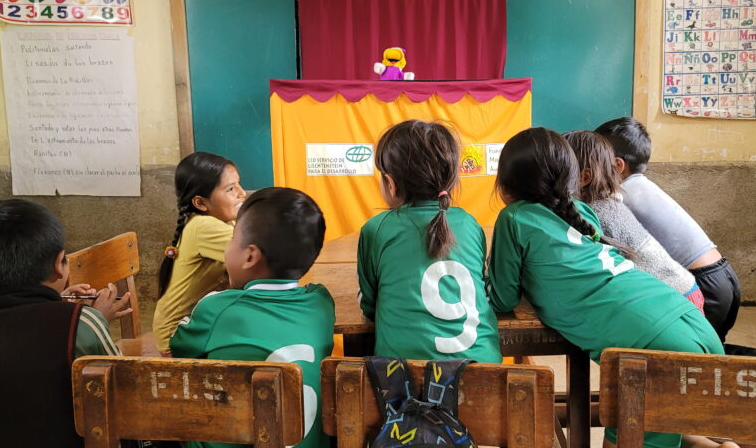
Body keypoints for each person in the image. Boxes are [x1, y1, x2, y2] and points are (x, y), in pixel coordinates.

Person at [486, 128, 728, 448]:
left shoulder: (513, 218)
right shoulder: (583, 212)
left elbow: (503, 298)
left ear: (505, 185)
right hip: (688, 320)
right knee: (668, 421)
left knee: (629, 435)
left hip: (651, 350)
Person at [0, 199, 129, 448]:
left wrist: (59, 305)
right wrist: (93, 319)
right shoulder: (80, 324)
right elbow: (126, 398)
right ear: (59, 265)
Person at [170, 187, 333, 448]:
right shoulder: (321, 302)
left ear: (249, 256)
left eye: (233, 238)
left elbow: (178, 346)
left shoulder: (217, 308)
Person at [357, 120, 501, 362]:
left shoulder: (376, 229)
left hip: (402, 383)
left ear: (390, 184)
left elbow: (368, 307)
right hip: (483, 370)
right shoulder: (469, 223)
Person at [595, 117, 741, 343]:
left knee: (686, 358)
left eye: (596, 159)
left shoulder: (622, 195)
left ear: (617, 166)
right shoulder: (643, 187)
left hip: (703, 284)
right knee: (707, 357)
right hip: (723, 277)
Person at [562, 130, 704, 312]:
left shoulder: (593, 210)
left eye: (559, 169)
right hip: (683, 289)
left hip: (675, 297)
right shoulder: (607, 201)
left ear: (584, 177)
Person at [153, 152, 246, 355]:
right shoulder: (205, 226)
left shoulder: (222, 221)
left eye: (239, 184)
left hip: (197, 324)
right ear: (201, 203)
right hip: (177, 334)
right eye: (230, 189)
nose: (242, 193)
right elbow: (259, 255)